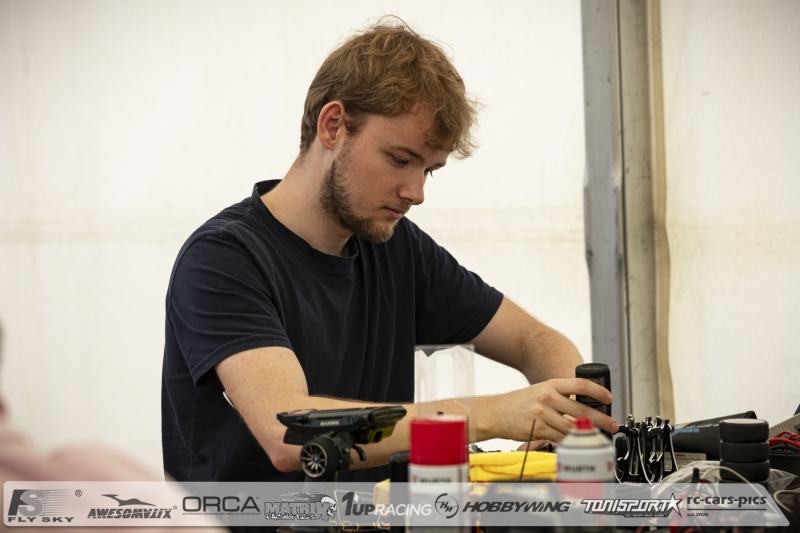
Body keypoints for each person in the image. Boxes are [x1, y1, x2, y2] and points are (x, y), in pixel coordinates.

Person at [161, 18, 619, 484]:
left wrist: (566, 417)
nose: (416, 192)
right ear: (333, 125)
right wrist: (493, 414)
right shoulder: (223, 259)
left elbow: (533, 340)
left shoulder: (397, 246)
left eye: (429, 171)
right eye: (400, 160)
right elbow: (290, 434)